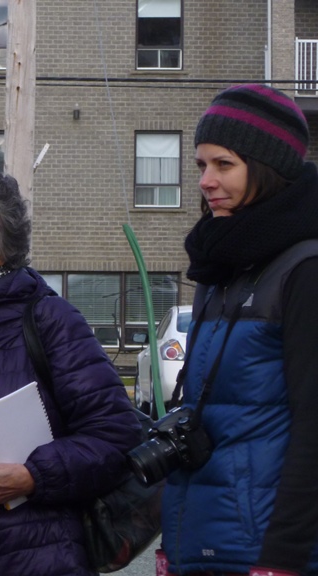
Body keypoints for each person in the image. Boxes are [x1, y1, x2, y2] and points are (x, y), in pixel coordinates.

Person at [0, 164, 142, 575]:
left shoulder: (49, 319)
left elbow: (115, 436)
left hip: (36, 557)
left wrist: (35, 475)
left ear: (3, 247)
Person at [158, 84, 318, 576]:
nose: (206, 181)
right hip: (206, 543)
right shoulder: (221, 266)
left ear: (266, 169)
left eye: (223, 165)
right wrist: (172, 542)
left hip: (269, 551)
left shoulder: (304, 269)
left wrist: (282, 559)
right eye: (201, 165)